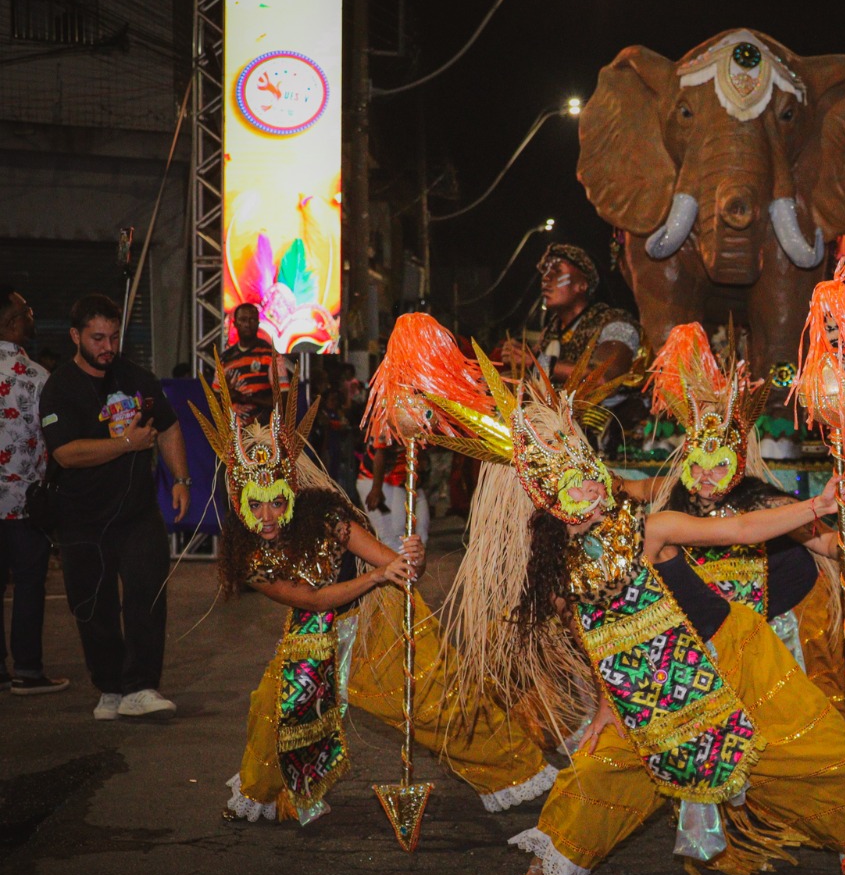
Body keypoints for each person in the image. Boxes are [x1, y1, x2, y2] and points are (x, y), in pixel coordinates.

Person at [426, 349, 845, 875]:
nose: (585, 497)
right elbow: (598, 642)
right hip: (644, 687)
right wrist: (607, 705)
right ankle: (542, 869)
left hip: (734, 661)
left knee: (819, 757)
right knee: (597, 772)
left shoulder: (652, 528)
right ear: (549, 505)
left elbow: (743, 528)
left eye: (589, 482)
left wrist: (814, 505)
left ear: (603, 481)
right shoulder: (560, 573)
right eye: (568, 491)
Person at [190, 378, 556, 823]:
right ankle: (260, 796)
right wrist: (380, 575)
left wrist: (408, 561)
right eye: (256, 504)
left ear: (290, 494)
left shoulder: (328, 517)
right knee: (275, 711)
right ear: (240, 501)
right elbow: (318, 601)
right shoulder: (248, 556)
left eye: (276, 501)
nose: (267, 515)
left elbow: (392, 565)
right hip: (312, 637)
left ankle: (517, 772)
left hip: (373, 625)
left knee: (433, 700)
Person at [635, 323, 845, 806]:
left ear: (738, 465)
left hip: (788, 644)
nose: (710, 475)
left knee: (828, 735)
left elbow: (829, 547)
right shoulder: (671, 520)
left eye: (721, 464)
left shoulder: (767, 503)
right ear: (685, 464)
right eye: (700, 463)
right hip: (717, 654)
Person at [39, 294, 189, 721]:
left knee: (146, 595)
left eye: (114, 336)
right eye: (98, 337)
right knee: (92, 607)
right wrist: (125, 444)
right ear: (76, 336)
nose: (108, 346)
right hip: (81, 518)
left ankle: (141, 685)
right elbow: (66, 453)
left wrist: (181, 479)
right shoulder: (59, 388)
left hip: (137, 514)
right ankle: (109, 686)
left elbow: (169, 425)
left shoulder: (136, 377)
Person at [0, 290, 68, 694]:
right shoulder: (37, 378)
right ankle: (27, 670)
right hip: (25, 505)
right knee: (28, 585)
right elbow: (55, 443)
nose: (33, 317)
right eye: (27, 312)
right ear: (11, 324)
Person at [499, 242, 642, 390]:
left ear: (583, 284)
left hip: (609, 413)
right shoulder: (552, 331)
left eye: (557, 271)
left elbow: (602, 379)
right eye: (545, 271)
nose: (546, 278)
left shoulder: (615, 323)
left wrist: (535, 363)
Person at [214, 303, 289, 424]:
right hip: (234, 431)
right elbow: (215, 398)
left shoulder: (271, 356)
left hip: (263, 431)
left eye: (252, 320)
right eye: (243, 320)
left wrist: (245, 398)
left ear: (259, 323)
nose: (248, 324)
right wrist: (227, 396)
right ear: (235, 324)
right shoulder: (225, 358)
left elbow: (283, 400)